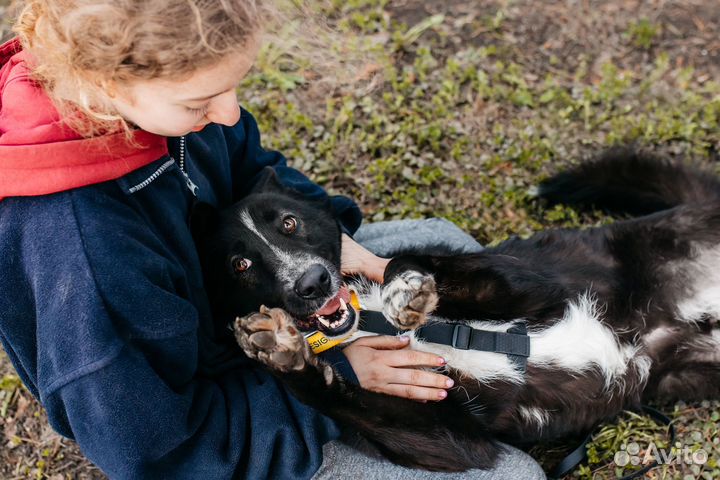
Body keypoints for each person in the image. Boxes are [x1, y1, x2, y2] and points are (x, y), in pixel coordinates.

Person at [0, 1, 546, 478]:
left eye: (234, 86)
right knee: (512, 476)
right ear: (106, 82)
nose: (228, 113)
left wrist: (329, 238)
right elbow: (165, 450)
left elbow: (256, 172)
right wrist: (334, 378)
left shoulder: (164, 101)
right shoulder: (84, 255)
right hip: (225, 423)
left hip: (244, 299)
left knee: (437, 238)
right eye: (200, 103)